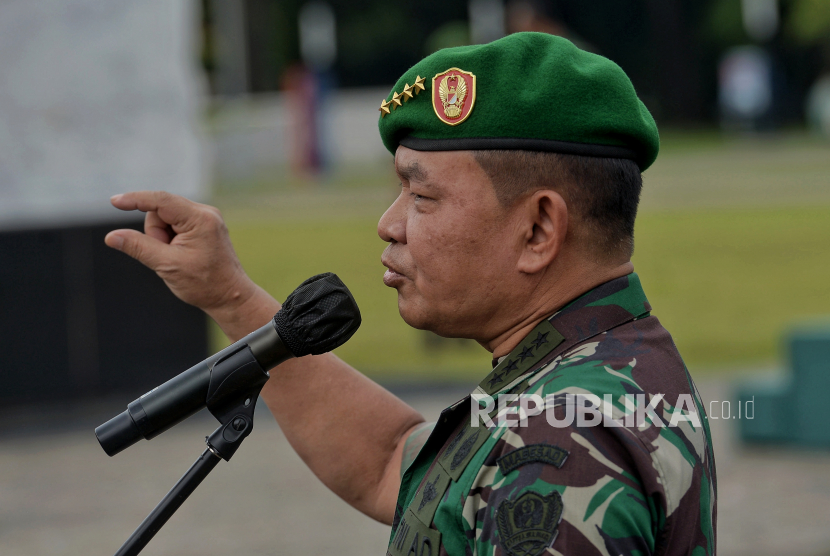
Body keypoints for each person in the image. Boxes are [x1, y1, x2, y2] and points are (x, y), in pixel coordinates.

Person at [105, 33, 716, 556]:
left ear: (538, 230)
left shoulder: (558, 446)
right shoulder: (601, 365)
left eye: (421, 196)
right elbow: (393, 463)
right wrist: (231, 296)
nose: (389, 223)